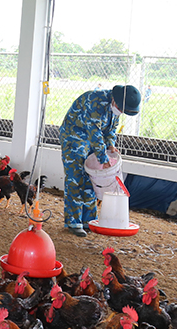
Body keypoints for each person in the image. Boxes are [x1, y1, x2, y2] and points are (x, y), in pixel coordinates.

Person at [59, 84, 141, 237]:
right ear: (116, 101)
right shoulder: (95, 101)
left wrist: (110, 146)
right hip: (74, 137)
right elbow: (95, 133)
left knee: (93, 178)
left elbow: (110, 129)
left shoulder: (116, 107)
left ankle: (89, 220)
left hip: (93, 142)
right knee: (76, 178)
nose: (121, 112)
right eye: (122, 109)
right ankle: (73, 222)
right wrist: (103, 158)